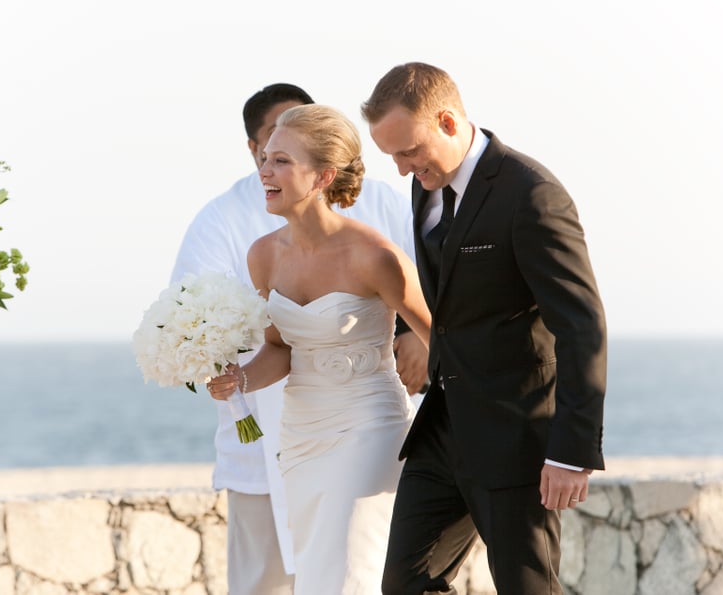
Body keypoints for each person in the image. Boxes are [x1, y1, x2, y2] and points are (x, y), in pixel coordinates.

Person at [169, 84, 425, 594]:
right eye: (265, 158)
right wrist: (240, 377)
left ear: (323, 175)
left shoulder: (374, 255)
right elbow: (281, 348)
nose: (264, 171)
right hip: (300, 438)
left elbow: (443, 337)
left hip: (368, 429)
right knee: (315, 578)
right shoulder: (264, 255)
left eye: (281, 161)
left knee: (350, 576)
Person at [361, 62, 607, 594]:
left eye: (408, 151)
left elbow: (582, 326)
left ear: (448, 122)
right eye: (393, 157)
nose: (402, 170)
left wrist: (571, 451)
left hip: (516, 436)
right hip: (444, 429)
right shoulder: (427, 185)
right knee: (404, 584)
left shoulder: (532, 194)